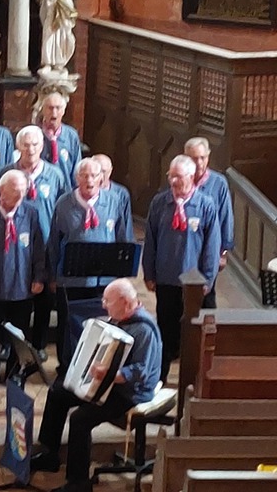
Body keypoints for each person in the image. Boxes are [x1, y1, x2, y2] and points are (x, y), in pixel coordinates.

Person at [30, 279, 162, 492]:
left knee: (80, 419)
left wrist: (110, 374)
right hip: (109, 385)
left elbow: (140, 372)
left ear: (125, 302)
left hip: (130, 393)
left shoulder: (144, 329)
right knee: (57, 392)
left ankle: (79, 483)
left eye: (108, 301)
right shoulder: (118, 319)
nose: (103, 304)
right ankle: (49, 454)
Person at [143, 154, 220, 382]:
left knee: (193, 335)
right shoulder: (160, 203)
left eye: (178, 176)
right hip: (166, 279)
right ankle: (160, 378)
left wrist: (207, 279)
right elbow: (150, 239)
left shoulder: (205, 205)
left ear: (191, 176)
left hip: (194, 284)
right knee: (165, 331)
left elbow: (212, 246)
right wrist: (149, 273)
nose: (174, 181)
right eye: (171, 176)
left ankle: (193, 380)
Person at [48, 158, 131, 371]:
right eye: (84, 176)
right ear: (77, 178)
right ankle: (66, 367)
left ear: (102, 178)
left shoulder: (114, 201)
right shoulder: (64, 204)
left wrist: (122, 273)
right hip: (71, 278)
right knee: (68, 324)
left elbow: (122, 237)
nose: (90, 180)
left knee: (103, 323)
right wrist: (53, 276)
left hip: (104, 279)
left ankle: (97, 366)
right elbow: (54, 242)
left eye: (94, 175)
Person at [0, 125, 68, 361]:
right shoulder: (6, 173)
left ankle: (38, 344)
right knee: (11, 298)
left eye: (35, 144)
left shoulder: (55, 175)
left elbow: (63, 208)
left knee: (44, 299)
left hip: (46, 245)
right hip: (13, 247)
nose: (30, 149)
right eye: (26, 144)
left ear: (42, 146)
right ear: (18, 146)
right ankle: (8, 343)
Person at [0, 170, 46, 389]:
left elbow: (38, 248)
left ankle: (14, 371)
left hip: (22, 285)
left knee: (19, 333)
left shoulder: (31, 213)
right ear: (2, 191)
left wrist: (39, 276)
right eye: (16, 191)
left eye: (23, 190)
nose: (21, 195)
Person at [184, 137, 234, 309]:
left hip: (209, 248)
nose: (199, 163)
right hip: (187, 247)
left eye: (202, 158)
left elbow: (226, 218)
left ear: (208, 156)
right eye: (194, 158)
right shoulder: (181, 179)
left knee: (207, 295)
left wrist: (223, 252)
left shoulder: (219, 183)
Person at [39, 91, 82, 187]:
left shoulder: (71, 135)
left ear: (63, 111)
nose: (54, 113)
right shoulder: (35, 134)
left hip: (66, 189)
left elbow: (77, 168)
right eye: (50, 108)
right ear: (43, 110)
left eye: (58, 108)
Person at [94, 154, 133, 241]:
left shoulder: (121, 194)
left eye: (104, 171)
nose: (101, 176)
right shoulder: (82, 193)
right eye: (97, 172)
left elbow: (126, 228)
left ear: (110, 171)